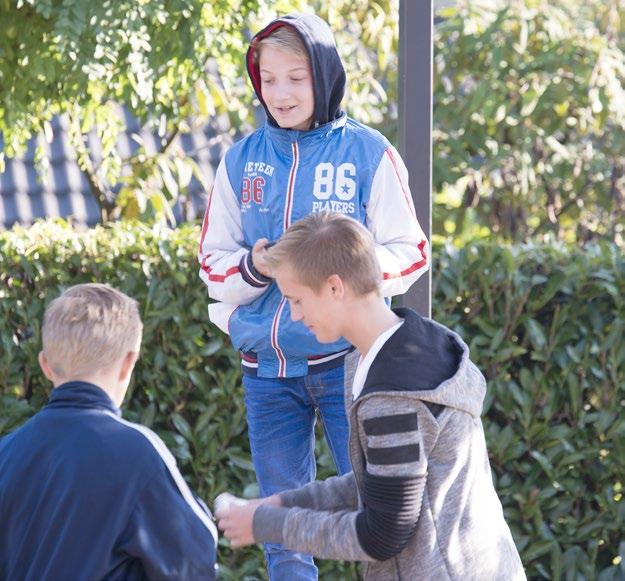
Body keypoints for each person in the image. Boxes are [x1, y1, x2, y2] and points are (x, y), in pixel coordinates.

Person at [198, 12, 429, 580]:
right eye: (269, 79)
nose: (281, 92)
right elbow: (212, 263)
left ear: (324, 76)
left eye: (296, 77)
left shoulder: (369, 154)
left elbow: (413, 249)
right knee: (281, 532)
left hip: (345, 366)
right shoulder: (240, 159)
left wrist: (351, 275)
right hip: (265, 373)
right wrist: (254, 265)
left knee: (383, 515)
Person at [215, 212, 527, 581]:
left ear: (334, 287)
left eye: (296, 300)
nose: (295, 316)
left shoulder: (394, 393)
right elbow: (379, 480)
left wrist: (267, 524)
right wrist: (283, 502)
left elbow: (381, 535)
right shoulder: (409, 344)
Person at [0, 284, 218, 581]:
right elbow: (195, 559)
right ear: (128, 363)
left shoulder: (6, 452)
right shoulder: (139, 455)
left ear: (46, 365)